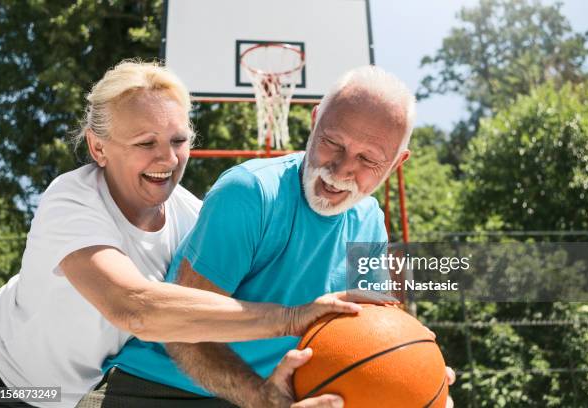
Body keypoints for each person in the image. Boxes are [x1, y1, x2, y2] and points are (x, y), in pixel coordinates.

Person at [0, 60, 365, 408]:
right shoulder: (72, 201)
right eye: (145, 143)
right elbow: (133, 308)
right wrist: (290, 317)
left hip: (75, 396)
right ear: (98, 147)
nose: (167, 159)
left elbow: (209, 319)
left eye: (178, 141)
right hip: (4, 379)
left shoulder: (192, 215)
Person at [81, 66, 455, 408]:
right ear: (314, 122)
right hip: (158, 388)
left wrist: (416, 372)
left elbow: (371, 336)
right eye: (333, 144)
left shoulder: (370, 220)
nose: (341, 169)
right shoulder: (252, 193)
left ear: (395, 163)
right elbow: (182, 333)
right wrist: (258, 396)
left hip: (267, 394)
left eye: (368, 160)